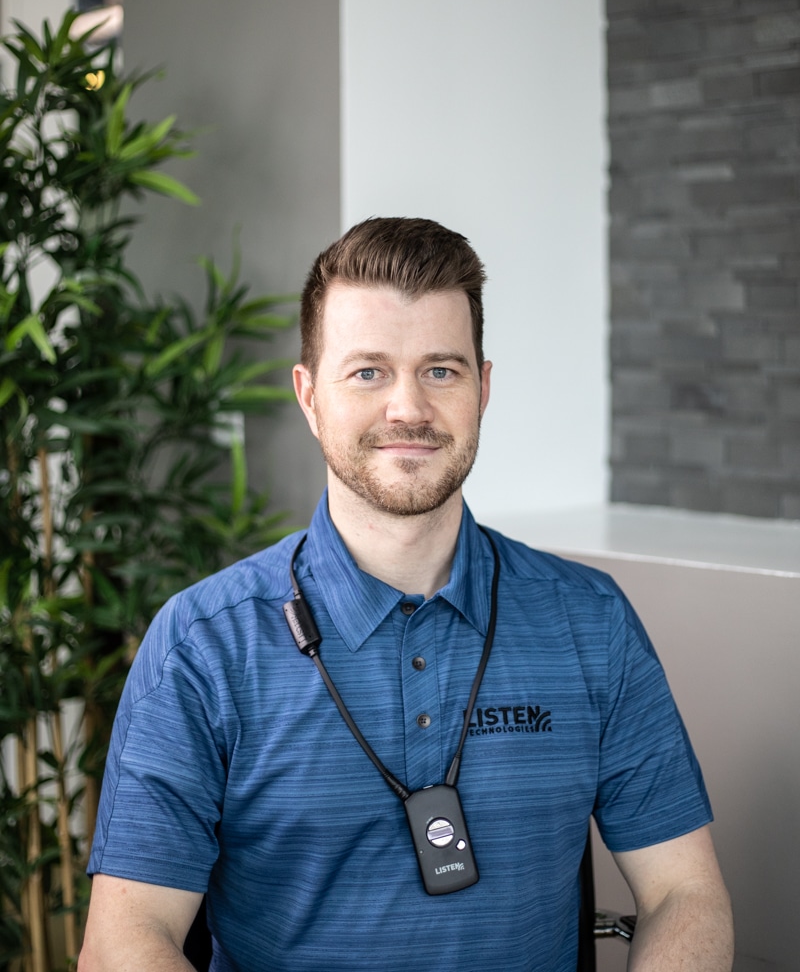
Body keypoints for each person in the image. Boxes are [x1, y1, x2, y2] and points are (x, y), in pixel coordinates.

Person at [78, 218, 734, 972]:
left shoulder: (591, 620)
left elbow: (686, 894)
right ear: (308, 394)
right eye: (368, 372)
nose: (408, 408)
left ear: (483, 389)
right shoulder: (201, 645)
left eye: (441, 370)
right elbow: (125, 943)